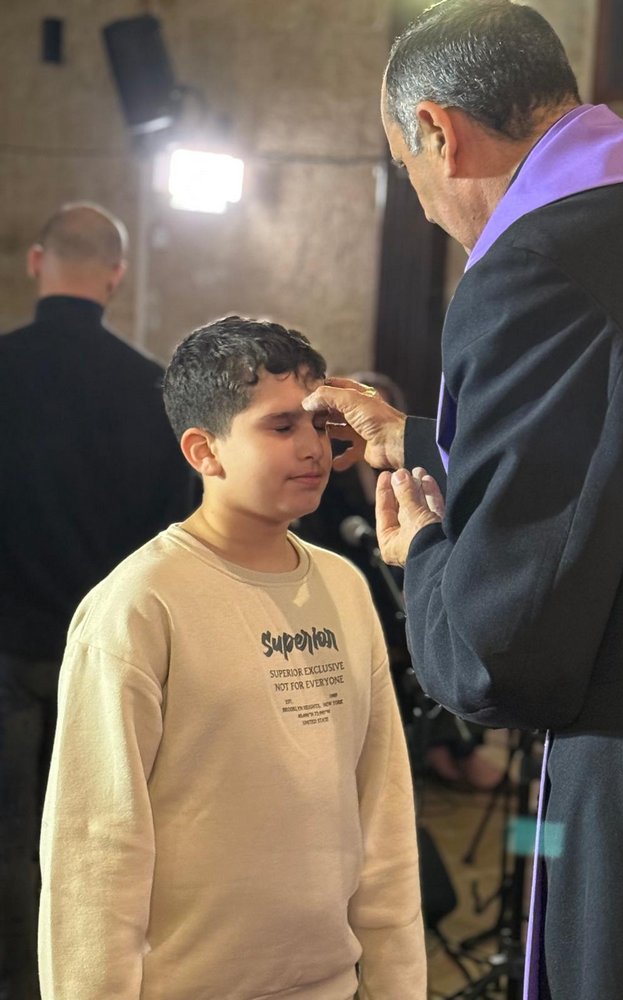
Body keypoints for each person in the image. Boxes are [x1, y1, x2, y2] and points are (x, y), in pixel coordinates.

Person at [302, 2, 623, 998]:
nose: (426, 205)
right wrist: (420, 439)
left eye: (407, 169)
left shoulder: (540, 264)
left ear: (438, 131)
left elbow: (502, 650)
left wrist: (425, 551)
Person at [38, 317, 426, 1000]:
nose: (313, 447)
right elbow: (95, 847)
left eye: (319, 424)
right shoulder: (140, 603)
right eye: (281, 426)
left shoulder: (343, 585)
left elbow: (383, 809)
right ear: (204, 451)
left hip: (329, 983)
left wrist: (398, 984)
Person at [0, 202, 195, 1000]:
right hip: (109, 655)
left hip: (6, 646)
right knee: (101, 838)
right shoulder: (155, 390)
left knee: (7, 843)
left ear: (34, 263)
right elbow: (171, 540)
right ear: (117, 276)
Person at [297, 370, 503, 791]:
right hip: (361, 589)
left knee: (443, 622)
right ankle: (442, 748)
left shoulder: (413, 469)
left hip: (401, 579)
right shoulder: (331, 478)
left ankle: (455, 746)